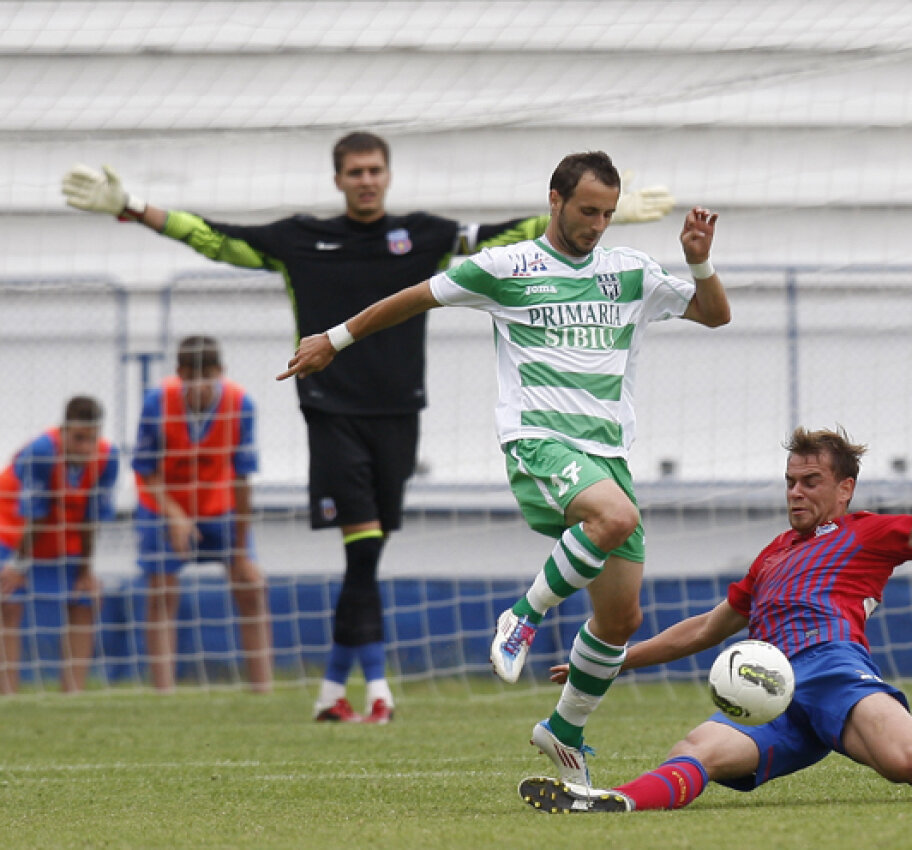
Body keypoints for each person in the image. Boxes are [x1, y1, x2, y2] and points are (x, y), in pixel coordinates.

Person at [62, 133, 673, 723]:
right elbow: (220, 240)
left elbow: (511, 240)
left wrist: (601, 225)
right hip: (331, 412)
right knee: (361, 551)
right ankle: (372, 688)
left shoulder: (424, 234)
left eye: (375, 170)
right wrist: (132, 208)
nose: (366, 181)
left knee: (370, 553)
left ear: (386, 175)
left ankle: (337, 689)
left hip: (401, 414)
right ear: (338, 179)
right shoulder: (304, 237)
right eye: (354, 172)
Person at [279, 150, 730, 776]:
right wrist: (335, 338)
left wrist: (698, 259)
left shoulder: (631, 272)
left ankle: (563, 731)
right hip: (540, 442)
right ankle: (521, 617)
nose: (597, 224)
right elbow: (414, 298)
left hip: (608, 455)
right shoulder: (506, 267)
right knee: (616, 518)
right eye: (586, 211)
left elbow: (714, 313)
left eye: (606, 213)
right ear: (555, 201)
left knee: (621, 617)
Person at [516, 426, 912, 813]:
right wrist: (609, 662)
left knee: (910, 765)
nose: (796, 493)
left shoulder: (869, 535)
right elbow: (704, 629)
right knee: (698, 749)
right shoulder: (770, 557)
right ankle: (610, 802)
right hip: (769, 694)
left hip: (835, 669)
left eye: (811, 482)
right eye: (789, 482)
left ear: (845, 489)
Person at [132, 336, 272, 693]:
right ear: (179, 374)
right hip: (164, 507)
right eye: (191, 377)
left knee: (251, 586)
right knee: (161, 590)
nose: (199, 385)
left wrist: (240, 550)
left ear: (220, 373)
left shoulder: (240, 403)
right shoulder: (157, 401)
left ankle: (263, 688)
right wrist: (175, 515)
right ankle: (164, 691)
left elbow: (243, 478)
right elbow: (146, 470)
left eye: (207, 376)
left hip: (219, 508)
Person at [0, 396, 120, 694]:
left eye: (91, 439)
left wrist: (86, 571)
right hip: (11, 530)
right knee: (7, 600)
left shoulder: (107, 458)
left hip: (60, 535)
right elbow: (35, 517)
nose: (84, 447)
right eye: (78, 438)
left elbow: (92, 519)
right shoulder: (42, 452)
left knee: (84, 599)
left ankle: (72, 695)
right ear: (63, 431)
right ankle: (7, 695)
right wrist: (17, 566)